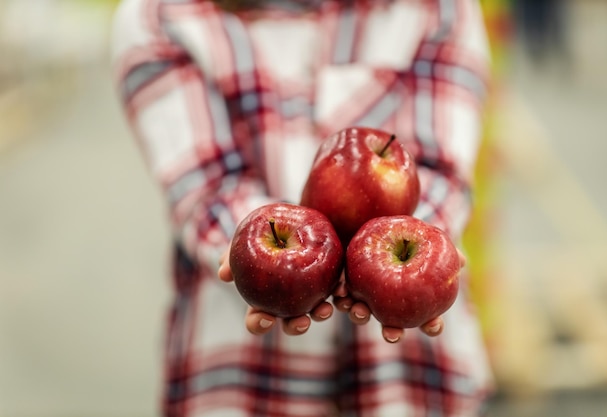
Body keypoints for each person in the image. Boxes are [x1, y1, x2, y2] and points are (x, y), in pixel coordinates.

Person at [111, 0, 493, 415]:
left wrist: (417, 264)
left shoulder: (439, 7)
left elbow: (439, 169)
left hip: (410, 379)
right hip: (240, 375)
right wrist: (273, 262)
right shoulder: (161, 15)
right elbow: (210, 187)